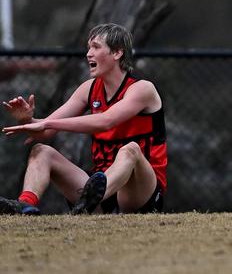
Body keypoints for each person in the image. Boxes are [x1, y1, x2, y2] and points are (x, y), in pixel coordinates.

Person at [0, 23, 167, 215]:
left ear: (117, 53)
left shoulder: (142, 89)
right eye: (88, 48)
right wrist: (28, 121)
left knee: (131, 150)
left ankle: (88, 202)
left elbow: (106, 121)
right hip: (98, 190)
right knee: (41, 151)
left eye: (96, 47)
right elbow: (45, 131)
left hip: (140, 194)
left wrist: (46, 123)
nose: (88, 53)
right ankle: (25, 206)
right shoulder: (89, 89)